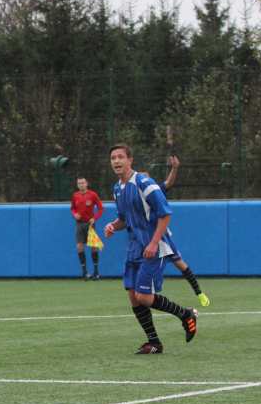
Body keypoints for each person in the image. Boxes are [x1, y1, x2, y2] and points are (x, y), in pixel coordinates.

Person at [103, 144, 198, 354]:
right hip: (134, 248)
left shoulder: (144, 183)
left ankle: (186, 315)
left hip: (153, 247)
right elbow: (123, 219)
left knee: (144, 297)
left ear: (130, 160)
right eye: (113, 158)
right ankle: (154, 342)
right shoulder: (117, 188)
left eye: (120, 157)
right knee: (133, 296)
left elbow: (165, 213)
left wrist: (154, 243)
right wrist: (113, 226)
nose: (116, 161)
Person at [159, 154, 210, 306]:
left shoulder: (154, 191)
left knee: (179, 263)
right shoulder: (132, 195)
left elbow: (168, 183)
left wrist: (175, 168)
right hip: (143, 239)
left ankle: (199, 292)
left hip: (160, 237)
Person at [70, 176, 104, 280]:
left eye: (83, 183)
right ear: (77, 185)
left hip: (90, 224)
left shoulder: (92, 195)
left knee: (93, 246)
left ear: (86, 183)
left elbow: (101, 208)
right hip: (79, 224)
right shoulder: (75, 195)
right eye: (79, 183)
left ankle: (96, 272)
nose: (81, 185)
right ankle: (84, 272)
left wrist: (95, 218)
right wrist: (74, 214)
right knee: (79, 246)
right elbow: (72, 208)